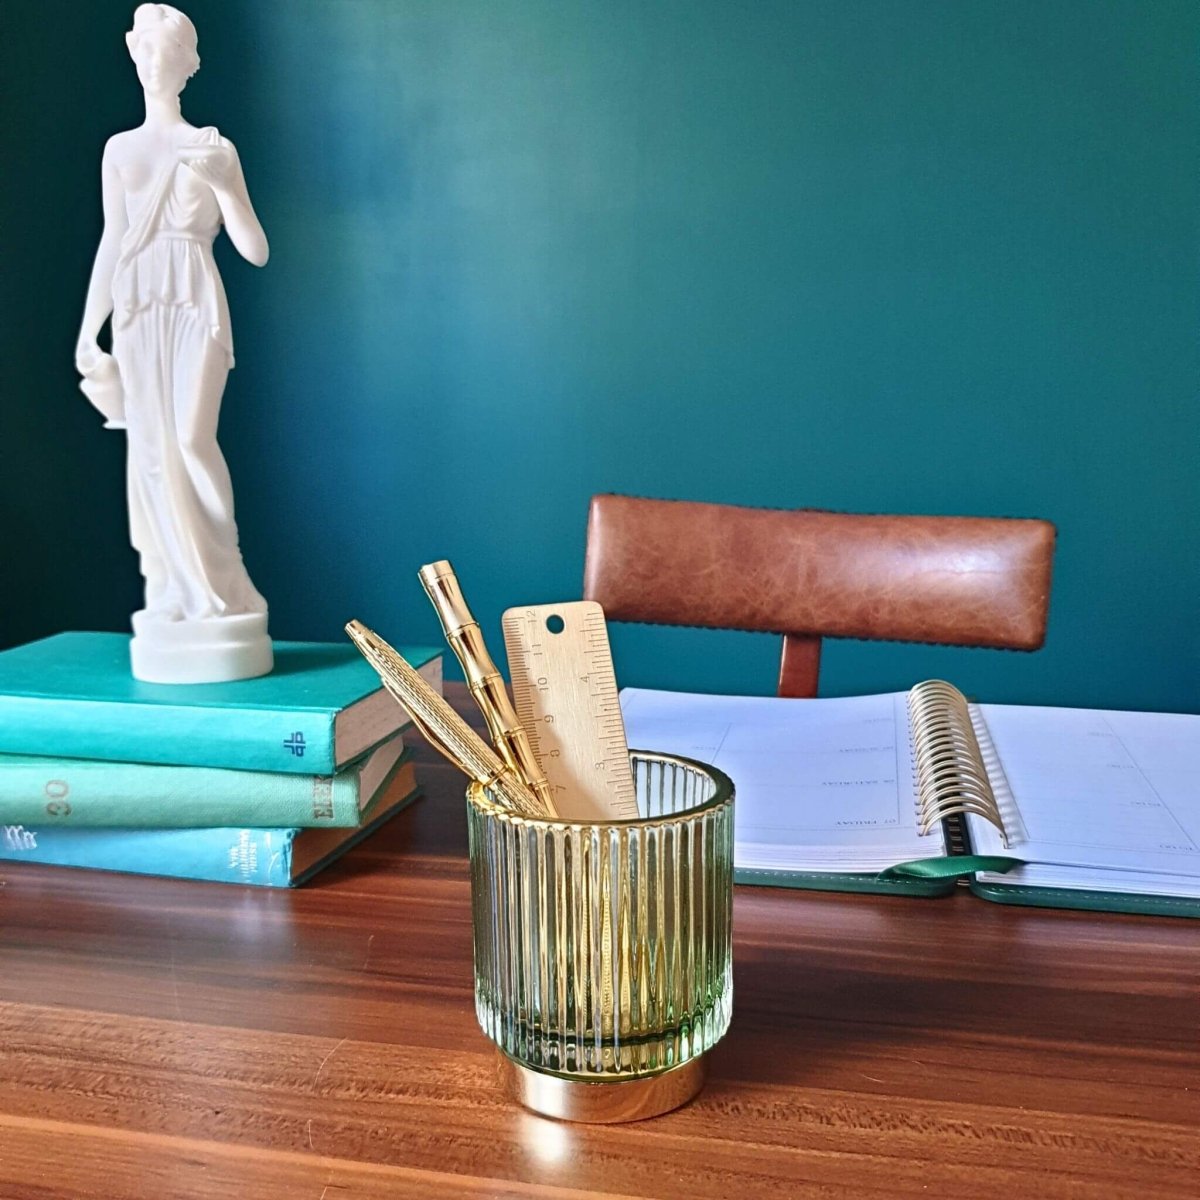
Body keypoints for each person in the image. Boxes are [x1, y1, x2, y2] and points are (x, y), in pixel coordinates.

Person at [75, 5, 272, 682]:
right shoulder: (120, 150)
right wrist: (87, 330)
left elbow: (254, 249)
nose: (156, 63)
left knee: (191, 438)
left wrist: (224, 187)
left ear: (188, 64)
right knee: (152, 451)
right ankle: (174, 591)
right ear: (135, 58)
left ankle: (227, 584)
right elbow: (112, 242)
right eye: (147, 52)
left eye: (170, 52)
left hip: (193, 298)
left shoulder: (214, 148)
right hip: (136, 305)